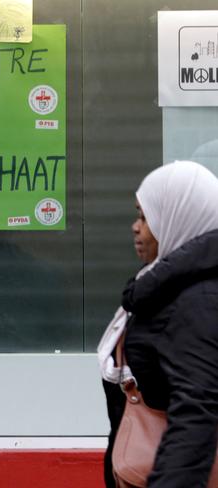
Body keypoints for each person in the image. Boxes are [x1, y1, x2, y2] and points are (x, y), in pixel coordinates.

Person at [98, 160, 218, 487]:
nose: (136, 227)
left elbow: (196, 412)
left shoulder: (197, 300)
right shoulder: (169, 287)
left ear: (179, 218)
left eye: (145, 216)